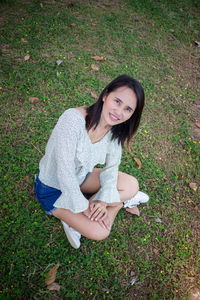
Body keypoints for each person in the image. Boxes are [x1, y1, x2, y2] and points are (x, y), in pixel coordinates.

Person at [34, 74, 149, 249]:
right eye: (117, 101)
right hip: (52, 188)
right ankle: (113, 205)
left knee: (131, 184)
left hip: (82, 177)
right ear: (105, 95)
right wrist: (83, 207)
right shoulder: (73, 120)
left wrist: (103, 201)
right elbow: (64, 170)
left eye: (128, 109)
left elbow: (111, 168)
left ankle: (110, 205)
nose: (119, 112)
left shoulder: (115, 131)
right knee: (100, 232)